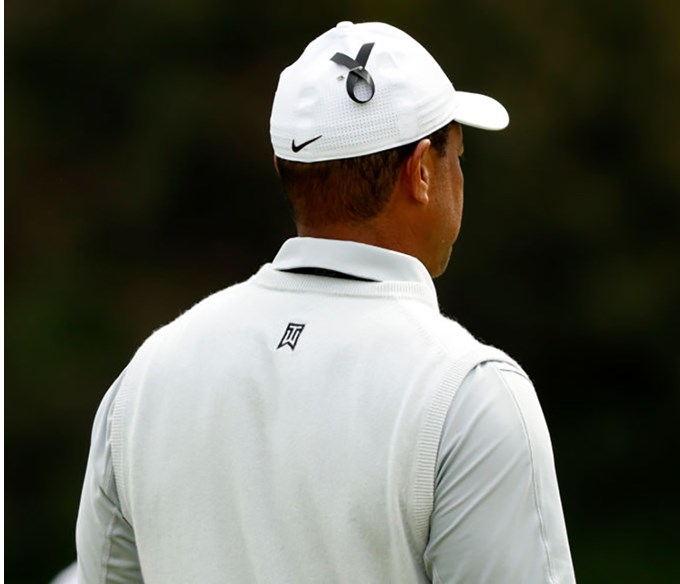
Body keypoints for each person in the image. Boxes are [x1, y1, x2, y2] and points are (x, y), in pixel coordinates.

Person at [76, 21, 576, 583]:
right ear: (421, 173)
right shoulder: (471, 394)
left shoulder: (146, 377)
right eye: (457, 155)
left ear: (284, 170)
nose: (460, 175)